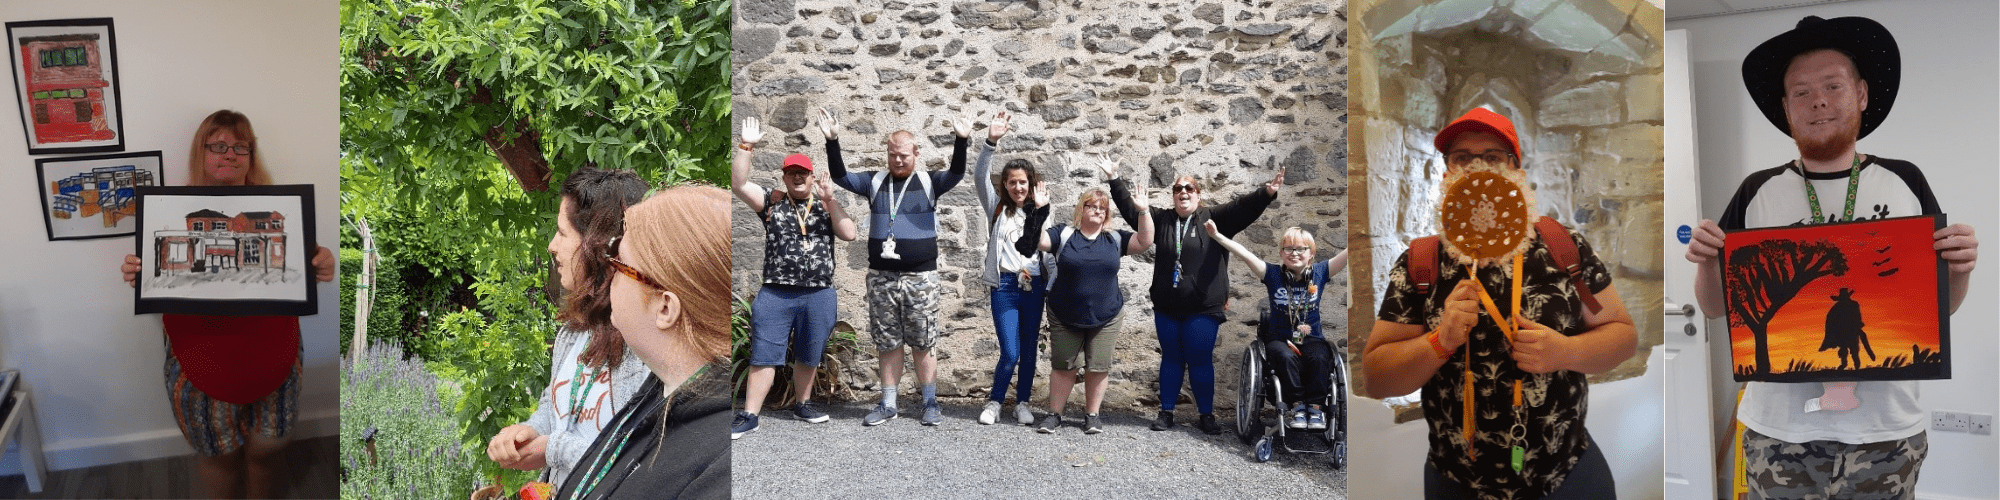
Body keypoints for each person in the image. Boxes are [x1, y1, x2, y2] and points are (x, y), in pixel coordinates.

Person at [1685, 16, 1977, 499]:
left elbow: (1939, 309)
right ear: (1785, 107)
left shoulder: (1905, 181)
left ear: (1861, 94)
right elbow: (1717, 308)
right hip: (1778, 434)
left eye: (1832, 86)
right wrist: (1705, 262)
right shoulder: (1756, 191)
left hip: (1886, 433)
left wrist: (1960, 270)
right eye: (1799, 91)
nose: (1817, 100)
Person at [1362, 108, 1637, 500]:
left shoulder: (1564, 246)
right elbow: (1376, 379)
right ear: (1445, 174)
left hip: (1568, 475)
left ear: (1516, 173)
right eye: (1462, 158)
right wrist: (1440, 340)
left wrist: (1566, 350)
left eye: (1492, 157)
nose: (1477, 168)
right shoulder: (1421, 263)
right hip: (1458, 484)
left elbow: (1623, 337)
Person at [118, 110, 336, 499]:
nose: (230, 154)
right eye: (218, 145)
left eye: (241, 147)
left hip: (275, 356)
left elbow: (298, 260)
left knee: (269, 450)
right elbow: (161, 273)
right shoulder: (171, 210)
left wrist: (320, 260)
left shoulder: (278, 208)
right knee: (218, 456)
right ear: (201, 152)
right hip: (200, 362)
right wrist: (142, 271)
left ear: (251, 157)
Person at [555, 186, 732, 499]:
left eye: (621, 264)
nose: (609, 274)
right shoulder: (662, 389)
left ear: (664, 308)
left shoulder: (719, 469)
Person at [485, 168, 652, 489]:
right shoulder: (573, 334)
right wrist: (528, 432)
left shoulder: (648, 349)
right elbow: (555, 406)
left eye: (562, 233)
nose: (551, 245)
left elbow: (635, 464)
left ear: (596, 245)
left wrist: (552, 448)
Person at [822, 108, 972, 426]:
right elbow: (841, 177)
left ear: (916, 153)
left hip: (921, 277)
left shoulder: (929, 182)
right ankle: (888, 403)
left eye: (903, 155)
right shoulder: (875, 182)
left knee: (923, 339)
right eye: (893, 155)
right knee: (887, 340)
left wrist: (961, 140)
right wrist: (833, 141)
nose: (898, 161)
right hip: (882, 278)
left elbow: (957, 174)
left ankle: (930, 403)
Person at [1116, 156, 1282, 434]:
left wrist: (1266, 193)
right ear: (1173, 196)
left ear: (1198, 194)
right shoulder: (1162, 219)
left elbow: (1244, 208)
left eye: (1189, 188)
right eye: (1178, 188)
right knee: (1171, 358)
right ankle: (1166, 412)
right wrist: (1113, 181)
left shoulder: (1214, 218)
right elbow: (1133, 213)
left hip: (1204, 308)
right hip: (1167, 307)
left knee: (1200, 359)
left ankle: (1206, 415)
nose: (1183, 192)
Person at [729, 115, 859, 438]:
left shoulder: (825, 205)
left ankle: (802, 404)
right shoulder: (772, 202)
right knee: (764, 354)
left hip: (818, 292)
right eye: (792, 173)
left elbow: (850, 233)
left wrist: (830, 200)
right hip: (776, 293)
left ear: (813, 177)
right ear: (784, 177)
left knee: (810, 351)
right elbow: (739, 184)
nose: (798, 177)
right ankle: (749, 414)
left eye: (803, 172)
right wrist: (746, 147)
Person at [1013, 155, 1154, 434]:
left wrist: (1143, 211)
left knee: (1098, 367)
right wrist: (1039, 209)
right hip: (1065, 314)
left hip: (1106, 315)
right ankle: (1054, 415)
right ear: (1081, 209)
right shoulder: (1064, 235)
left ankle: (1092, 415)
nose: (1098, 210)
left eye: (1103, 208)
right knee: (1064, 366)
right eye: (1092, 205)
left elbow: (1145, 241)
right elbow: (1034, 241)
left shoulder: (1114, 239)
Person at [1206, 222, 1348, 429]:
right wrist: (1217, 235)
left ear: (1311, 253)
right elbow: (1245, 255)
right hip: (1279, 339)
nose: (1294, 253)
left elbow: (1350, 252)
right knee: (1284, 356)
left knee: (1320, 356)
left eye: (1301, 249)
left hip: (1312, 338)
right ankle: (1298, 407)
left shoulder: (1321, 272)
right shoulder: (1272, 274)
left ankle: (1316, 409)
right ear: (1281, 253)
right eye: (1288, 248)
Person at [970, 111, 1047, 426]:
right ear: (1005, 184)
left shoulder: (1041, 210)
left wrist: (1041, 211)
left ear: (1031, 184)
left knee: (1029, 351)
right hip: (1005, 286)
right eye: (1012, 182)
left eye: (1022, 182)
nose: (1018, 187)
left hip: (1035, 285)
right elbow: (978, 177)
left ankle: (1023, 403)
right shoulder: (997, 207)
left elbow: (1049, 249)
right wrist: (990, 142)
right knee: (1010, 351)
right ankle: (995, 402)